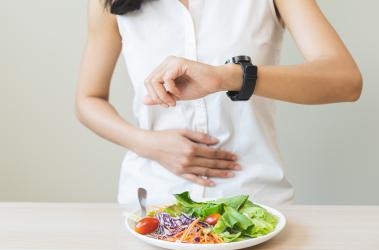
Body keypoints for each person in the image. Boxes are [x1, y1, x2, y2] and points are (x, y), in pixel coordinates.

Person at [76, 0, 362, 208]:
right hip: (151, 203)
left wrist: (227, 77)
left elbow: (344, 80)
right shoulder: (107, 3)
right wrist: (145, 143)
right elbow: (88, 99)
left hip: (255, 203)